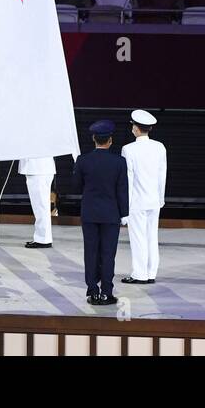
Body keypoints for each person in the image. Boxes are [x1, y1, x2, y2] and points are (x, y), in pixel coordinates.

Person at [73, 120, 129, 305]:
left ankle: (92, 292)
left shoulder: (83, 160)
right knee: (107, 253)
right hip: (111, 214)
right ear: (110, 140)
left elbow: (77, 186)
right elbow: (122, 190)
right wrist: (124, 213)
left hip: (89, 213)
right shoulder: (119, 162)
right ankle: (106, 292)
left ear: (93, 139)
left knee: (90, 252)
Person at [121, 109, 166, 285]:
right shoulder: (159, 147)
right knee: (151, 237)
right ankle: (151, 272)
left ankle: (140, 274)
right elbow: (162, 175)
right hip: (154, 200)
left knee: (138, 237)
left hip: (137, 202)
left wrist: (125, 206)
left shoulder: (128, 149)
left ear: (136, 128)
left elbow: (128, 179)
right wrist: (161, 199)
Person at [19, 155, 56, 248]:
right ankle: (42, 238)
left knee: (40, 206)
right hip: (40, 169)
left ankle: (43, 239)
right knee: (40, 206)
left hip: (38, 169)